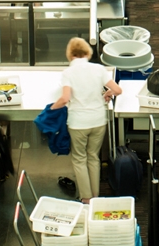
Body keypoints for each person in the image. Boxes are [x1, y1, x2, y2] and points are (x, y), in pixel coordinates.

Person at [50, 38, 122, 204]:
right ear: (87, 53)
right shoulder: (98, 69)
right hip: (98, 121)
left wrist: (51, 109)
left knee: (79, 159)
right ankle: (95, 196)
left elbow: (65, 98)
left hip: (78, 123)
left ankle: (86, 198)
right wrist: (108, 93)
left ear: (70, 54)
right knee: (93, 157)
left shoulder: (68, 73)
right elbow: (118, 90)